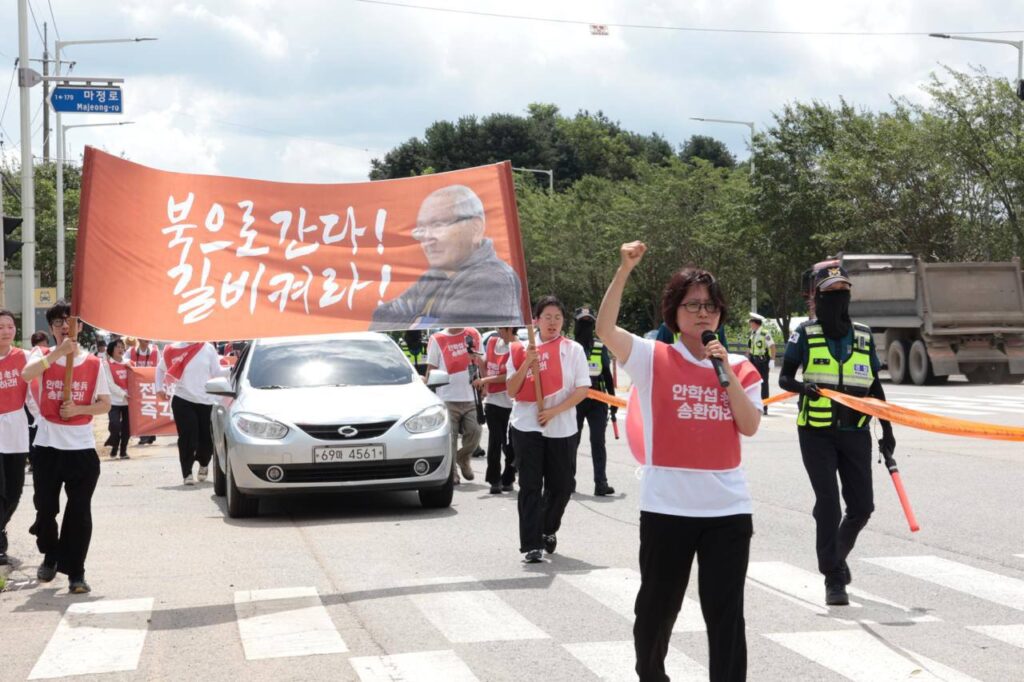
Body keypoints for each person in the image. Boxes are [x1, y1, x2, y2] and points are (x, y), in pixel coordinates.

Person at [596, 242, 763, 682]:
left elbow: (749, 426)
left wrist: (725, 374)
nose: (703, 313)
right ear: (674, 312)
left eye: (710, 305)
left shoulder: (741, 367)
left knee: (726, 614)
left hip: (727, 510)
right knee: (656, 609)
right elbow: (605, 329)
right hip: (667, 507)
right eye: (693, 305)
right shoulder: (652, 357)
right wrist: (624, 270)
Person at [778, 264, 896, 607]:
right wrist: (804, 388)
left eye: (842, 292)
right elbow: (785, 378)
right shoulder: (804, 333)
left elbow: (874, 387)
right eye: (830, 293)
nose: (837, 299)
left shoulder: (862, 335)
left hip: (856, 432)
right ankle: (833, 578)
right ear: (818, 297)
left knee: (862, 507)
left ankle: (834, 558)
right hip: (816, 432)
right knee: (828, 504)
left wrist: (887, 429)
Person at [21, 301, 111, 594]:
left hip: (81, 449)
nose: (64, 327)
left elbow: (105, 404)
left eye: (69, 321)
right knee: (46, 509)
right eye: (58, 322)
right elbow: (26, 375)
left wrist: (79, 409)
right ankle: (50, 554)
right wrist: (59, 353)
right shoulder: (42, 355)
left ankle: (76, 572)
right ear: (51, 328)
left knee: (79, 513)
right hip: (47, 446)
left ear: (79, 326)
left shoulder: (94, 363)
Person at [506, 296, 590, 564]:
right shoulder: (520, 349)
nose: (552, 323)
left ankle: (547, 528)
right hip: (526, 426)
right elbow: (511, 389)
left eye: (557, 318)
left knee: (561, 487)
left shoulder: (573, 349)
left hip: (561, 427)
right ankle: (531, 545)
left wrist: (554, 411)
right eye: (547, 317)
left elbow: (582, 389)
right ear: (536, 321)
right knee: (530, 486)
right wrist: (526, 363)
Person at [370, 185, 524, 330]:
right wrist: (422, 321)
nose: (427, 238)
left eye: (438, 225)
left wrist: (418, 322)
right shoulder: (434, 276)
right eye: (421, 229)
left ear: (475, 228)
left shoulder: (492, 280)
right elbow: (379, 319)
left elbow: (449, 336)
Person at [156, 341, 227, 485]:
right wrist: (159, 388)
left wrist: (234, 369)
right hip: (182, 398)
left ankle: (204, 463)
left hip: (205, 400)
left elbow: (217, 372)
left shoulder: (208, 348)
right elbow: (160, 369)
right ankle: (187, 472)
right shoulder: (173, 348)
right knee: (188, 436)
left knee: (206, 439)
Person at [425, 327, 483, 484]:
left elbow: (481, 362)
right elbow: (431, 369)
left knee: (475, 431)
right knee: (450, 440)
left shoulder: (473, 333)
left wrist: (485, 384)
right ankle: (453, 473)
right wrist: (428, 389)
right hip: (447, 398)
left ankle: (462, 458)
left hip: (471, 396)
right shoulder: (437, 338)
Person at [571, 306, 616, 496]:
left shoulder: (599, 346)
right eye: (582, 322)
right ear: (576, 324)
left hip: (598, 399)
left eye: (589, 322)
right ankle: (568, 481)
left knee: (598, 442)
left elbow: (607, 374)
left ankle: (601, 483)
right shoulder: (569, 347)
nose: (586, 326)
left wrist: (613, 401)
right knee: (572, 441)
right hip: (575, 400)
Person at [0, 310, 29, 566]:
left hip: (16, 429)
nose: (6, 331)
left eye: (10, 326)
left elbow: (35, 392)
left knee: (15, 489)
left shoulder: (24, 357)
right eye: (1, 327)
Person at [473, 327, 517, 494]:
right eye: (499, 328)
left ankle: (509, 478)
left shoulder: (517, 347)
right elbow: (484, 364)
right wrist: (477, 359)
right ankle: (494, 480)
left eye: (503, 329)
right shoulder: (492, 342)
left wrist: (485, 380)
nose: (500, 332)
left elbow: (508, 376)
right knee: (494, 443)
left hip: (512, 403)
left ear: (511, 329)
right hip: (493, 402)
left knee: (511, 445)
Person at [102, 338, 131, 459]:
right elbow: (109, 384)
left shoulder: (129, 363)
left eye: (122, 347)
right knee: (114, 425)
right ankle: (115, 445)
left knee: (127, 428)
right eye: (117, 347)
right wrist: (123, 393)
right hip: (114, 400)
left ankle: (123, 451)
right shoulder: (106, 364)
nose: (120, 349)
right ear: (111, 349)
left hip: (129, 401)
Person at [128, 339, 160, 445]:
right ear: (139, 340)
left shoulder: (155, 351)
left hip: (150, 386)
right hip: (137, 387)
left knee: (150, 409)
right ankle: (144, 435)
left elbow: (160, 367)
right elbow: (124, 363)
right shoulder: (131, 351)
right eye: (145, 339)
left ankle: (150, 433)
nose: (147, 341)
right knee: (140, 412)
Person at [747, 313, 775, 415]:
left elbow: (772, 346)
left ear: (755, 323)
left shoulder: (764, 333)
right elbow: (750, 347)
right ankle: (754, 405)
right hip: (753, 360)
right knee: (753, 383)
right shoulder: (753, 333)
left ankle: (765, 406)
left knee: (764, 384)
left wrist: (772, 360)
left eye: (751, 323)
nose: (750, 325)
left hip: (762, 361)